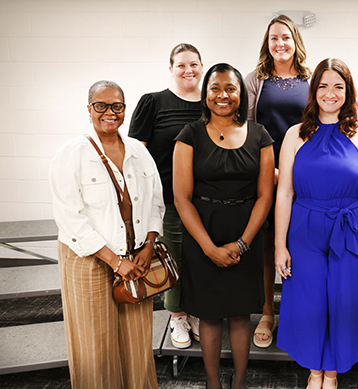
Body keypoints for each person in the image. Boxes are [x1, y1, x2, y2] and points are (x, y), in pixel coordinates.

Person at [275, 58, 358, 389]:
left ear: (348, 92)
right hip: (305, 228)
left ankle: (332, 373)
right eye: (323, 86)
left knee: (342, 298)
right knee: (309, 300)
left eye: (338, 86)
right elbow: (284, 194)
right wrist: (280, 245)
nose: (330, 93)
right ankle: (314, 370)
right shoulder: (295, 135)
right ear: (314, 91)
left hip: (351, 228)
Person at [50, 80, 164, 389]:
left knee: (138, 343)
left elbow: (156, 203)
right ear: (89, 110)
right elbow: (70, 218)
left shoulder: (139, 152)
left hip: (135, 258)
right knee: (94, 344)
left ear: (125, 110)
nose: (109, 112)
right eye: (101, 106)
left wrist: (149, 245)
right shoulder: (72, 153)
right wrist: (115, 261)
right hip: (88, 260)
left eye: (116, 106)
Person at [173, 63, 275, 389]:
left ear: (241, 94)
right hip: (203, 233)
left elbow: (265, 195)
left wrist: (242, 243)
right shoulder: (189, 135)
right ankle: (213, 383)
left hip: (247, 233)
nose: (223, 95)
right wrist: (209, 248)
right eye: (215, 88)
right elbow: (182, 198)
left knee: (241, 314)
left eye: (230, 88)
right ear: (205, 94)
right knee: (210, 314)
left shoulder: (260, 135)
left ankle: (241, 381)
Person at [129, 43, 203, 349]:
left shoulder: (211, 103)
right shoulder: (154, 102)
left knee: (200, 259)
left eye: (194, 64)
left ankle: (197, 310)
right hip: (169, 198)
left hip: (206, 199)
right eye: (182, 65)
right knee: (175, 257)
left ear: (202, 67)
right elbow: (134, 153)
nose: (188, 70)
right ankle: (177, 315)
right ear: (170, 68)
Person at [244, 14, 311, 349]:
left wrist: (302, 171)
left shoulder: (312, 80)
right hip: (267, 172)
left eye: (285, 37)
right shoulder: (255, 79)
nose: (280, 44)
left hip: (305, 174)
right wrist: (269, 168)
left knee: (300, 242)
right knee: (271, 244)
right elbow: (249, 129)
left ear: (295, 40)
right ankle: (268, 312)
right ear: (267, 43)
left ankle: (296, 312)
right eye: (274, 38)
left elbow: (317, 128)